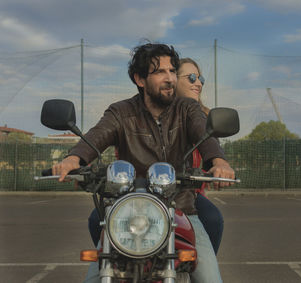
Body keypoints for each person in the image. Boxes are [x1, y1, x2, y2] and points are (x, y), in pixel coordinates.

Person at [52, 43, 234, 283]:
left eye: (172, 71)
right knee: (94, 278)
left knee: (211, 279)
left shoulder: (187, 109)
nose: (169, 78)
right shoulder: (121, 112)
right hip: (128, 214)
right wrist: (73, 158)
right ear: (140, 79)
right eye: (160, 72)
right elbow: (98, 135)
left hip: (179, 209)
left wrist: (219, 161)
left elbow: (204, 134)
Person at [176, 57, 224, 255]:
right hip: (149, 191)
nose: (198, 83)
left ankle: (200, 266)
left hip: (189, 193)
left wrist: (218, 162)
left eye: (200, 79)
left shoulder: (204, 116)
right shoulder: (154, 114)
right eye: (192, 77)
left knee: (213, 219)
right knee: (98, 219)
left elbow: (211, 147)